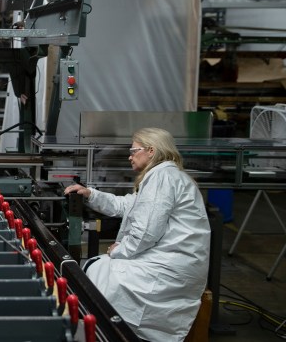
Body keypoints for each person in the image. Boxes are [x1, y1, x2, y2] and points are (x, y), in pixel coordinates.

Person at [64, 127, 210, 342]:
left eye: (134, 150)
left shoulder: (162, 178)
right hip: (170, 261)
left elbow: (146, 232)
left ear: (151, 150)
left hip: (170, 269)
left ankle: (101, 332)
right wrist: (90, 194)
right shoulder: (161, 177)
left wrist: (120, 251)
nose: (129, 156)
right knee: (97, 268)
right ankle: (99, 330)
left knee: (98, 272)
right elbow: (126, 205)